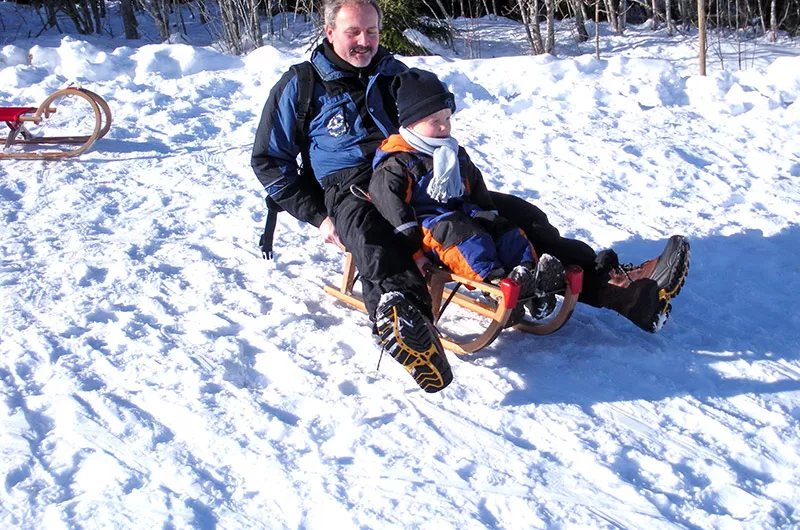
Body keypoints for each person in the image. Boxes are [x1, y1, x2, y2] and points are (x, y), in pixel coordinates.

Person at [251, 0, 689, 394]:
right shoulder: (301, 86)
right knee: (374, 238)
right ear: (330, 32)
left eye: (372, 31)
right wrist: (319, 217)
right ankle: (406, 322)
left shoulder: (395, 74)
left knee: (515, 214)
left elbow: (432, 121)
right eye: (353, 33)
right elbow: (270, 161)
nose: (364, 41)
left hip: (420, 176)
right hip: (351, 188)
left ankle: (621, 290)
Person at [368, 67, 566, 324]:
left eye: (447, 119)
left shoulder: (453, 152)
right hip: (429, 229)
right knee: (467, 236)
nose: (443, 127)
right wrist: (413, 252)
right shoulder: (397, 163)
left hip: (462, 214)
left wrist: (489, 214)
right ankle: (495, 286)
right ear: (411, 124)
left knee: (504, 230)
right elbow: (394, 211)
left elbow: (476, 186)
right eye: (434, 121)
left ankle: (529, 279)